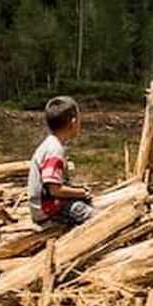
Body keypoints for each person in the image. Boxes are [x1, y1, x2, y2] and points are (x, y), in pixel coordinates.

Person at [27, 96, 93, 226]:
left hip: (45, 205)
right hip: (47, 209)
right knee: (93, 216)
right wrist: (81, 192)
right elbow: (54, 190)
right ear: (73, 122)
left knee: (86, 201)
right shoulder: (54, 150)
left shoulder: (52, 144)